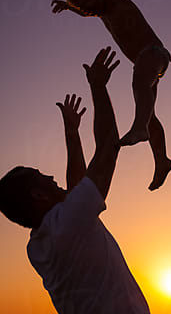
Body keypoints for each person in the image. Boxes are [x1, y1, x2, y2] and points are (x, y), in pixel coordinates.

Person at [0, 47, 151, 314]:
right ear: (37, 195)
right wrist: (97, 86)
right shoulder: (66, 225)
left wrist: (72, 133)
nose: (50, 176)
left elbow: (76, 191)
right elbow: (107, 148)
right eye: (42, 176)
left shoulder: (38, 246)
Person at [51, 0, 171, 190]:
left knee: (139, 85)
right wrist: (70, 8)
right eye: (86, 4)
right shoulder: (101, 13)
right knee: (149, 109)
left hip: (154, 53)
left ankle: (140, 128)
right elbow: (87, 12)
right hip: (148, 64)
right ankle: (162, 160)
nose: (94, 4)